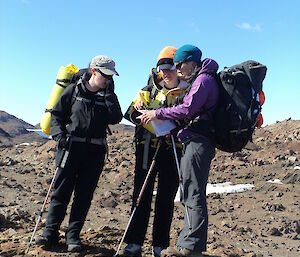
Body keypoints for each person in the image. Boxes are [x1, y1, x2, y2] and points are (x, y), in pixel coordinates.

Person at [36, 55, 122, 252]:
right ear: (94, 71)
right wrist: (60, 136)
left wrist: (109, 95)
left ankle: (73, 236)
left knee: (83, 196)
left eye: (110, 76)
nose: (108, 80)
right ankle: (50, 233)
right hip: (70, 148)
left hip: (95, 151)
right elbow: (57, 115)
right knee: (60, 192)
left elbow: (116, 118)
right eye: (105, 75)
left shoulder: (108, 94)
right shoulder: (73, 90)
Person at [141, 44, 219, 257]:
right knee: (190, 191)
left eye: (179, 64)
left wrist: (159, 113)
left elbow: (188, 109)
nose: (177, 69)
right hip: (195, 141)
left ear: (191, 62)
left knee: (193, 192)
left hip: (197, 142)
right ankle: (189, 242)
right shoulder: (203, 79)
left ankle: (191, 245)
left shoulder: (203, 81)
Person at [120, 46, 189, 257]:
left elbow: (191, 119)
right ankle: (133, 243)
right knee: (140, 196)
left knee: (166, 199)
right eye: (162, 68)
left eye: (170, 68)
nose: (166, 73)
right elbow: (129, 113)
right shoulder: (148, 91)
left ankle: (160, 245)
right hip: (147, 151)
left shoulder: (188, 92)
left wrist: (172, 126)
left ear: (178, 68)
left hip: (173, 152)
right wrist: (139, 110)